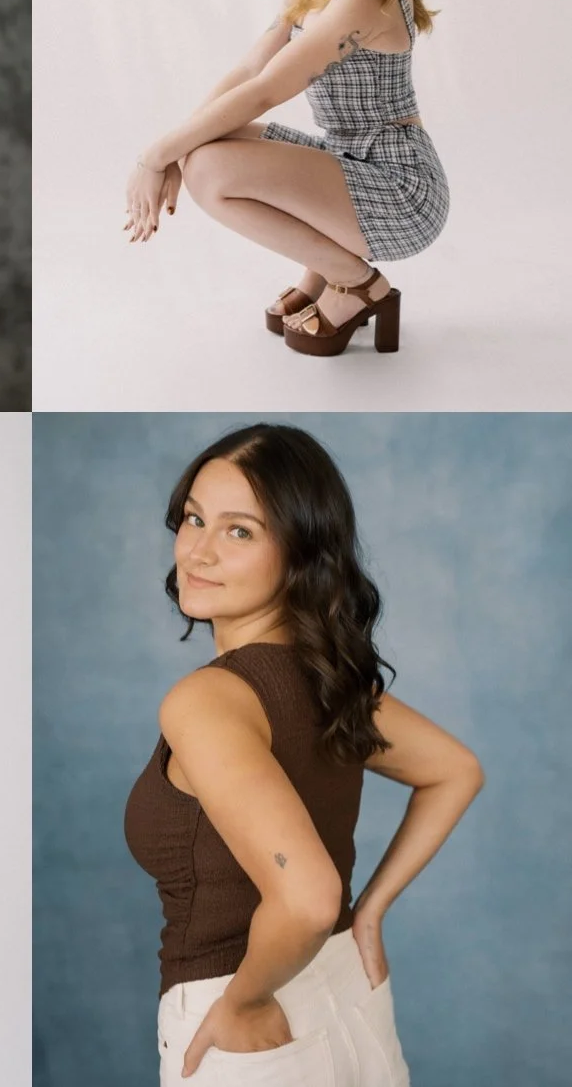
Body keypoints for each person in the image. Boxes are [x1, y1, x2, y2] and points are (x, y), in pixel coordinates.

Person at [124, 424, 484, 1085]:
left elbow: (311, 897)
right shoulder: (333, 682)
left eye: (239, 531)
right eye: (194, 519)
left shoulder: (206, 700)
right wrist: (367, 911)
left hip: (246, 1017)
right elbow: (457, 770)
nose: (198, 552)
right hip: (350, 992)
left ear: (299, 554)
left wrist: (245, 999)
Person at [123, 0, 449, 357]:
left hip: (399, 185)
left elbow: (270, 89)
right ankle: (326, 269)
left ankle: (359, 284)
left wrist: (157, 154)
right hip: (351, 159)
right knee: (208, 148)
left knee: (209, 168)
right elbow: (250, 68)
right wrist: (174, 148)